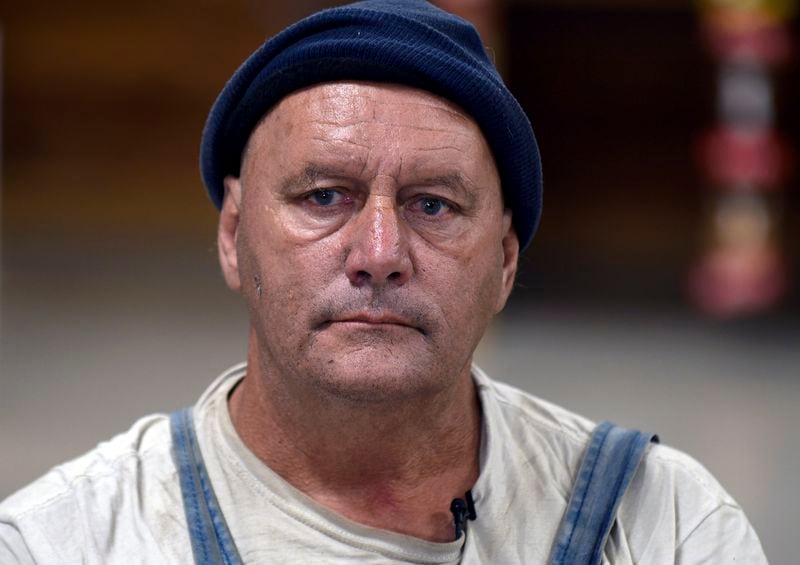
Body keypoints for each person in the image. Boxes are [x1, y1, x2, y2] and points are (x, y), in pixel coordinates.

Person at [0, 1, 766, 563]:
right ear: (233, 236)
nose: (378, 250)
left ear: (504, 261)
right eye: (323, 196)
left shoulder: (663, 525)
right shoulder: (64, 541)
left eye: (433, 204)